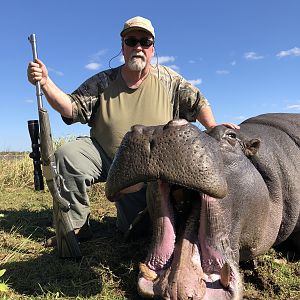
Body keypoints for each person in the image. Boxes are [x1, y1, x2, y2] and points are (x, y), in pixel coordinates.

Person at [27, 16, 239, 251]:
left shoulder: (169, 80)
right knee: (67, 155)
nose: (138, 47)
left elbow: (198, 102)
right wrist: (45, 83)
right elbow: (71, 106)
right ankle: (76, 227)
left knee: (134, 231)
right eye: (131, 40)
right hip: (105, 156)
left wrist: (213, 130)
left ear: (152, 48)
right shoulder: (103, 81)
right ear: (122, 46)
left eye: (145, 42)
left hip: (147, 168)